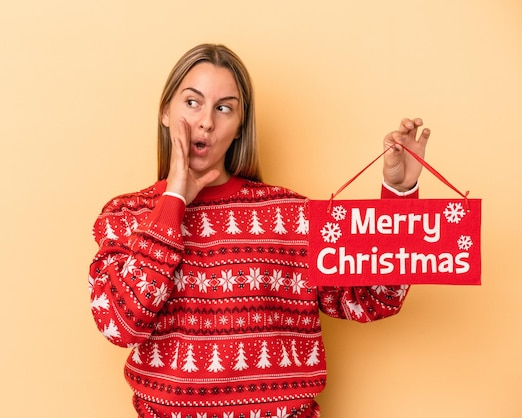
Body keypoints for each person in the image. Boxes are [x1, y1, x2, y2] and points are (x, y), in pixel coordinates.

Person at [89, 43, 430, 418]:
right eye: (192, 102)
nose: (206, 122)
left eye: (224, 108)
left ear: (238, 128)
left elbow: (374, 298)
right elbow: (118, 325)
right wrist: (173, 202)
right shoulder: (125, 215)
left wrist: (400, 196)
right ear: (165, 113)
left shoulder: (293, 216)